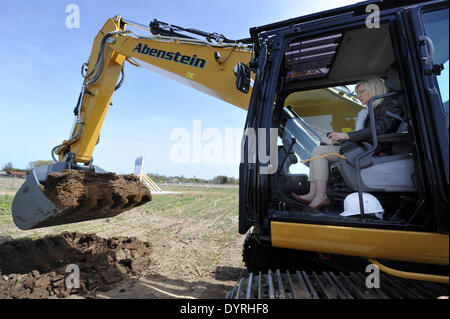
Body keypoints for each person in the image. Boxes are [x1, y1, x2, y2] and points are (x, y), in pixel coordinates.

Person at [292, 77, 403, 210]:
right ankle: (313, 194)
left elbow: (380, 129)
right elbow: (364, 133)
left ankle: (319, 196)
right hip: (363, 147)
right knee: (319, 150)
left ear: (374, 89)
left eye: (361, 92)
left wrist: (347, 135)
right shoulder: (369, 110)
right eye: (357, 93)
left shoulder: (388, 105)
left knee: (319, 152)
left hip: (372, 150)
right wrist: (340, 142)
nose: (358, 96)